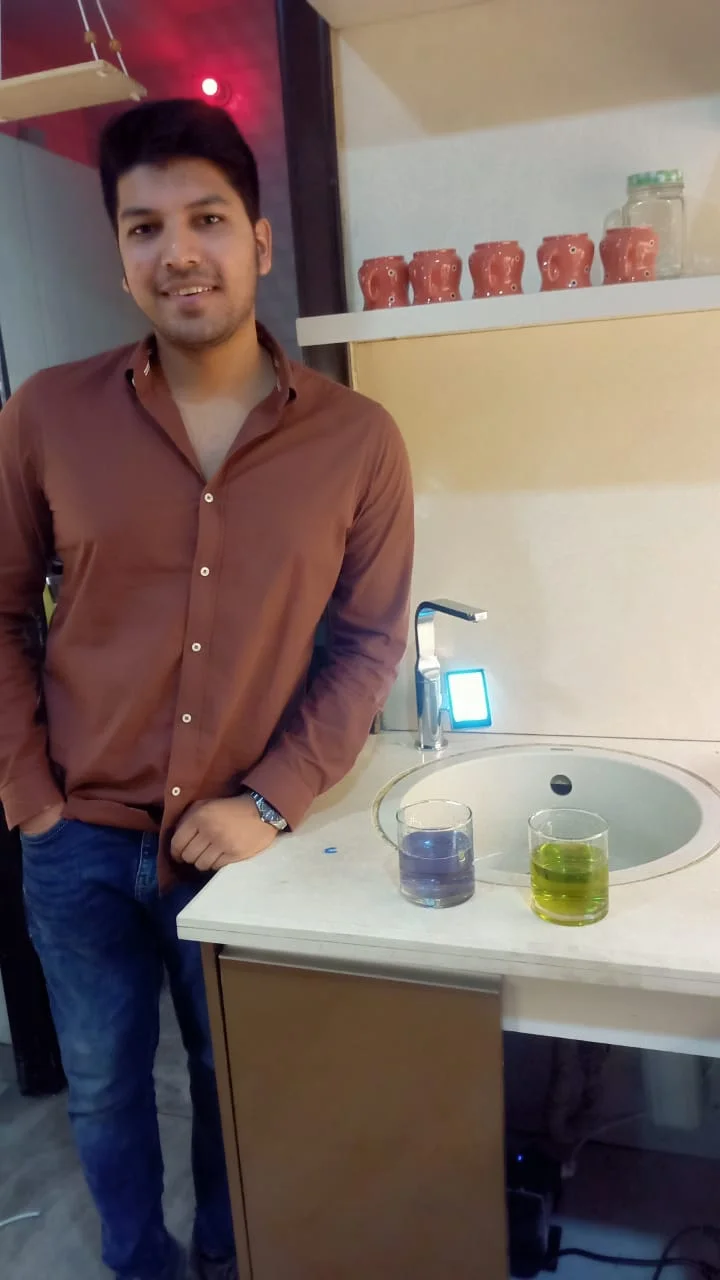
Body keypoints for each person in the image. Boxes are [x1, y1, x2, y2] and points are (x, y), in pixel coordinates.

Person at [0, 99, 414, 1280]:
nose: (178, 250)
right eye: (145, 227)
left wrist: (272, 800)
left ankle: (234, 1264)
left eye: (207, 219)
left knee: (244, 1087)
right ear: (120, 253)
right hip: (74, 837)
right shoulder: (44, 418)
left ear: (261, 242)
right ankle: (142, 1265)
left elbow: (368, 644)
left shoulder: (357, 440)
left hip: (245, 842)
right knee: (101, 1087)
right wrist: (30, 790)